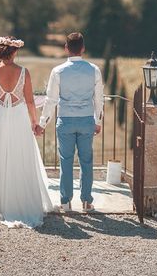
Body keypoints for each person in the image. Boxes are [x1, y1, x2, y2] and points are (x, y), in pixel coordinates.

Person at [0, 36, 53, 228]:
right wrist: (34, 123)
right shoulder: (24, 72)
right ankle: (21, 202)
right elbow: (30, 101)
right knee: (20, 156)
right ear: (14, 52)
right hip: (20, 117)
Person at [36, 32, 104, 212]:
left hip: (65, 120)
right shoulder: (94, 70)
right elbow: (99, 99)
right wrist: (98, 121)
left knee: (65, 161)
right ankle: (87, 201)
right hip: (86, 120)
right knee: (86, 161)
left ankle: (65, 203)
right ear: (83, 48)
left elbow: (51, 100)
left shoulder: (57, 71)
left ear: (66, 48)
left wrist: (42, 124)